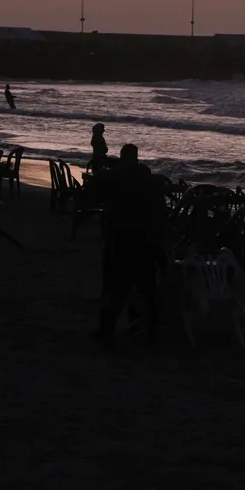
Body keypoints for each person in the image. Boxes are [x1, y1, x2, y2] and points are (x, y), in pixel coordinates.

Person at [94, 144, 158, 343]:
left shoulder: (114, 177)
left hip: (119, 238)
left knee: (114, 288)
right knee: (146, 290)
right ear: (137, 158)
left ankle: (107, 331)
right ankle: (146, 329)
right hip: (145, 240)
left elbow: (99, 197)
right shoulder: (147, 179)